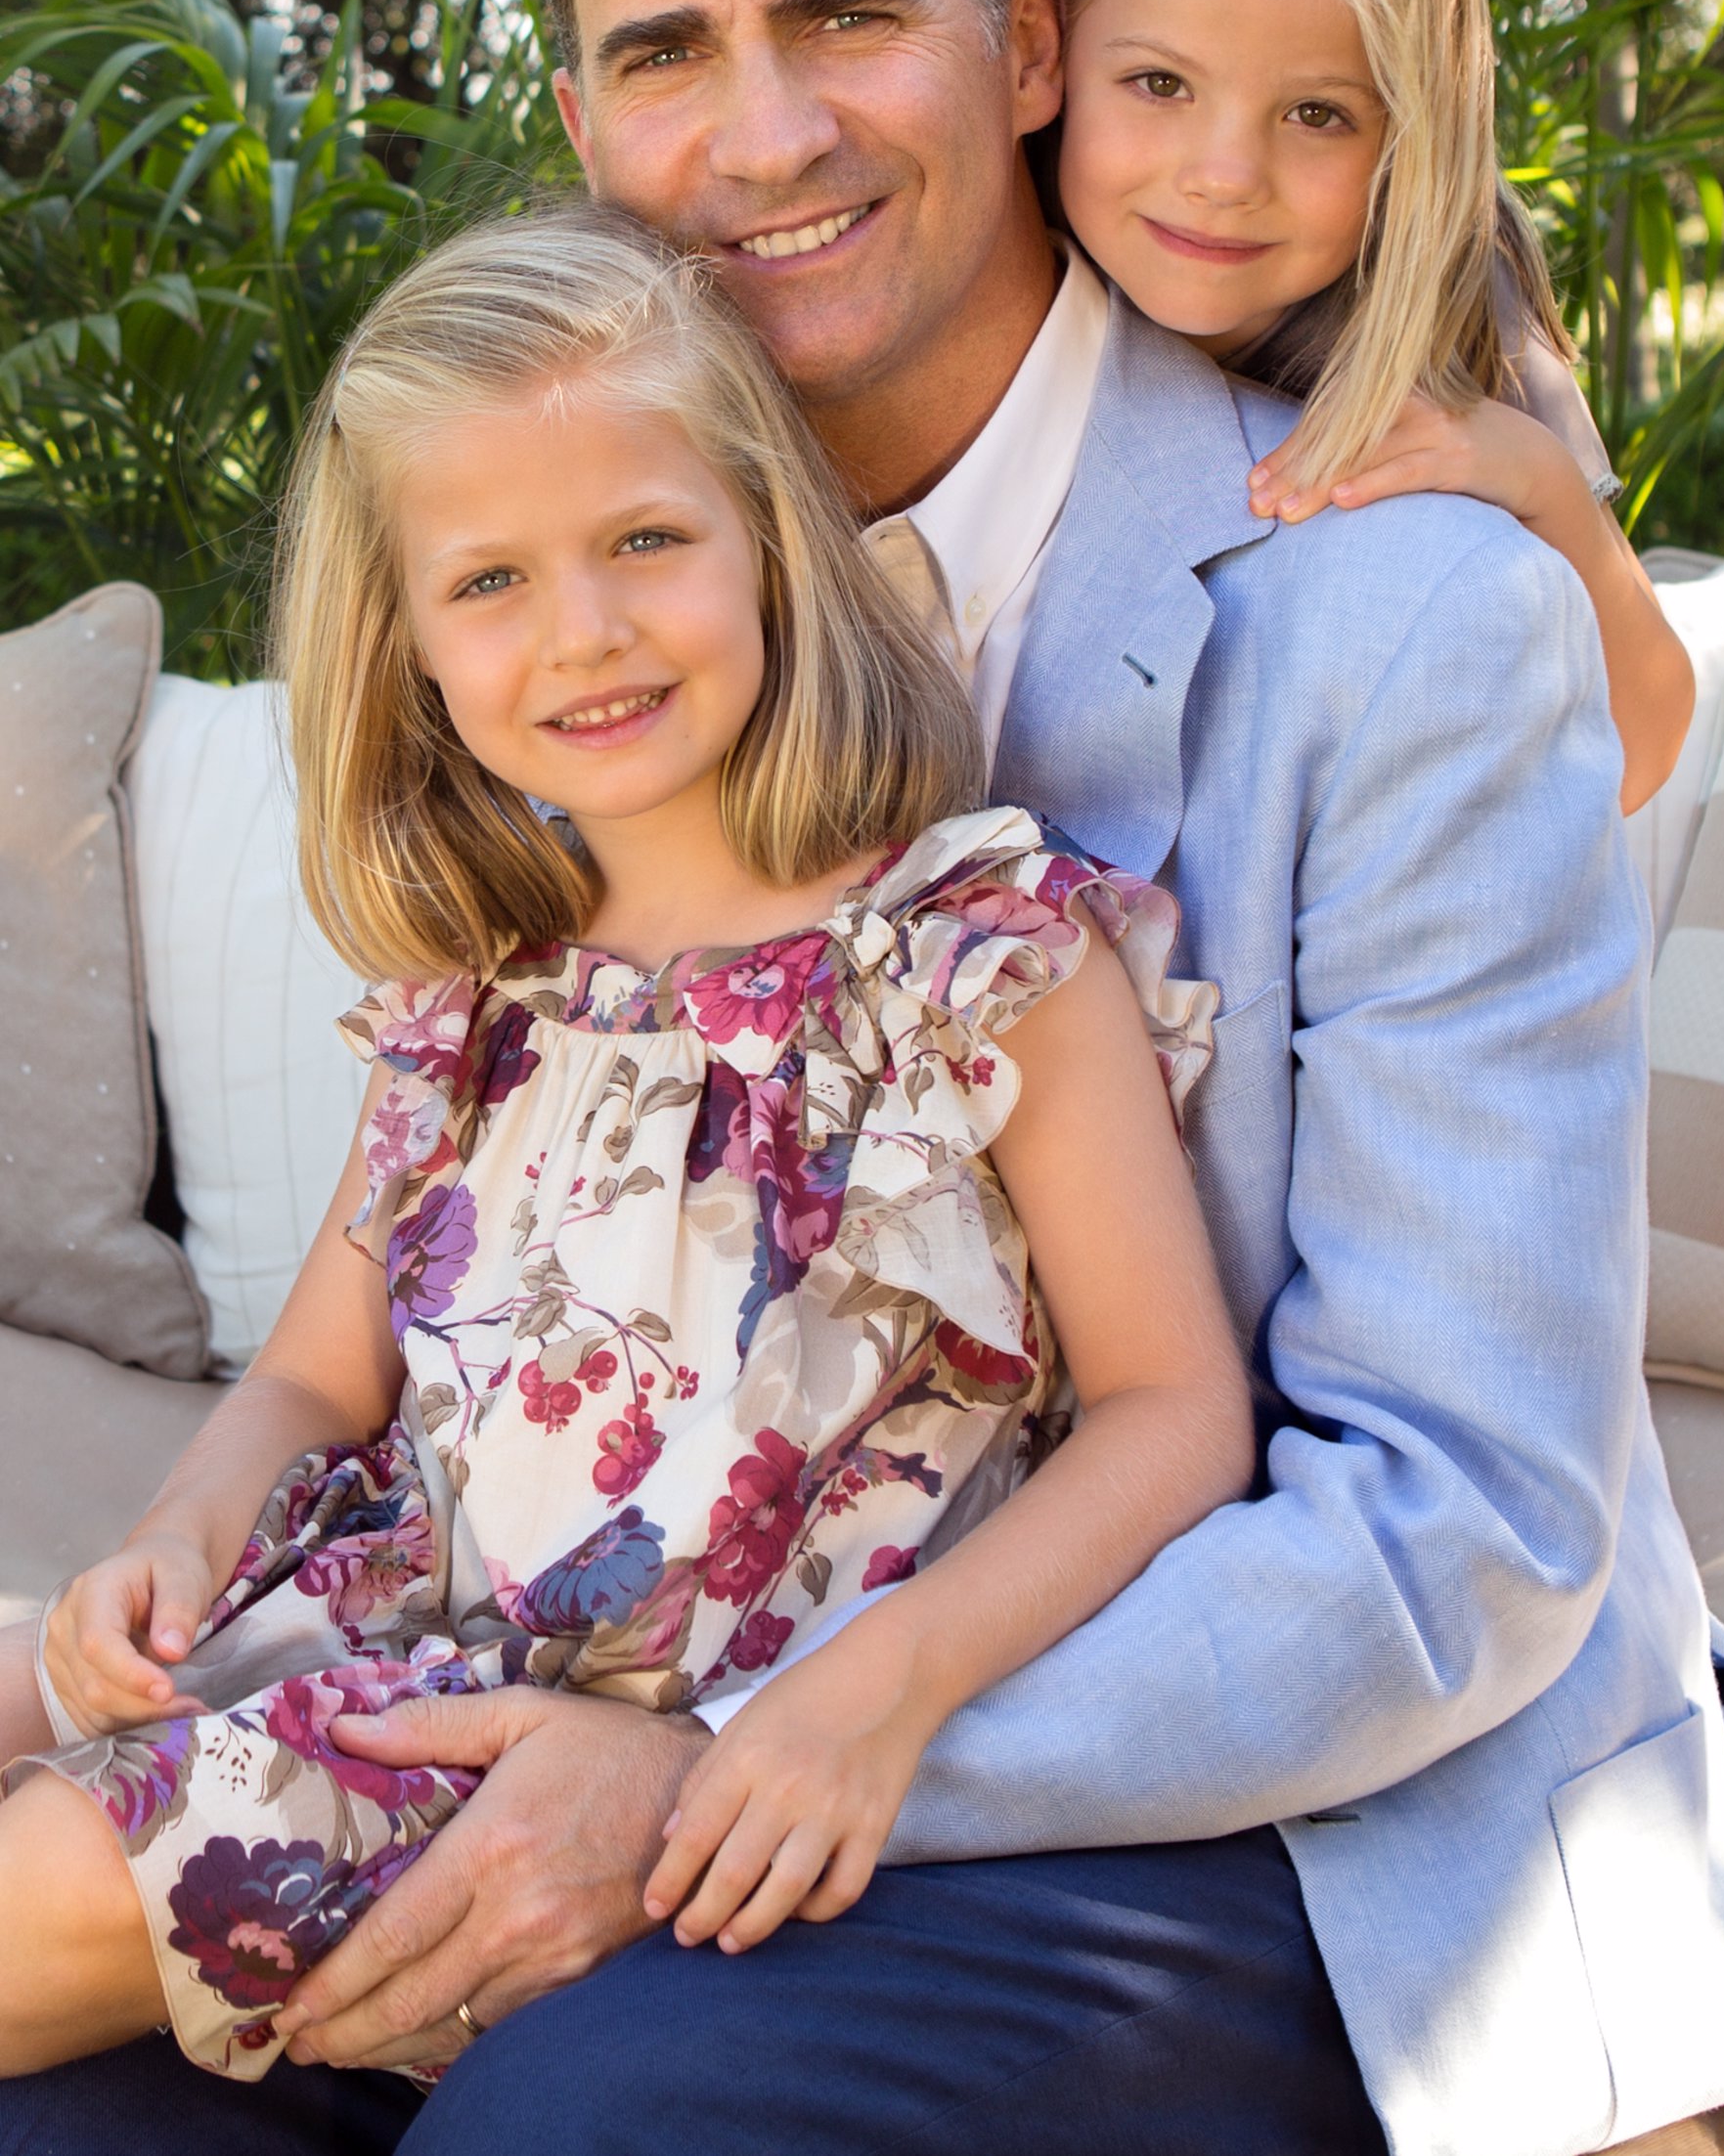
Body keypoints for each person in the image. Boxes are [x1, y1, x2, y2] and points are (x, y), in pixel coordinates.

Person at [8, 0, 1724, 2156]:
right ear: (581, 125)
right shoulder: (577, 605)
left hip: (1276, 1774)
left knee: (595, 2121)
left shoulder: (1407, 602)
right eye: (668, 48)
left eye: (846, 18)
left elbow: (1460, 1518)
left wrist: (701, 1764)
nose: (762, 132)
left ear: (1021, 41)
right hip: (629, 1659)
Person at [0, 210, 1251, 2083]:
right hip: (381, 1632)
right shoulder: (473, 997)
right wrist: (173, 1536)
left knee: (28, 1898)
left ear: (769, 535)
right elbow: (309, 1377)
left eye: (645, 540)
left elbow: (1177, 1412)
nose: (582, 630)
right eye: (489, 579)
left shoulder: (976, 952)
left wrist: (869, 1698)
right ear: (409, 644)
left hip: (618, 1752)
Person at [1039, 0, 1695, 814]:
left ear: (1410, 136)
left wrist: (1534, 474)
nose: (1225, 176)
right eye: (1160, 83)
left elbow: (1643, 741)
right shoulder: (982, 268)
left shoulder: (1452, 284)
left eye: (1316, 114)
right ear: (1042, 44)